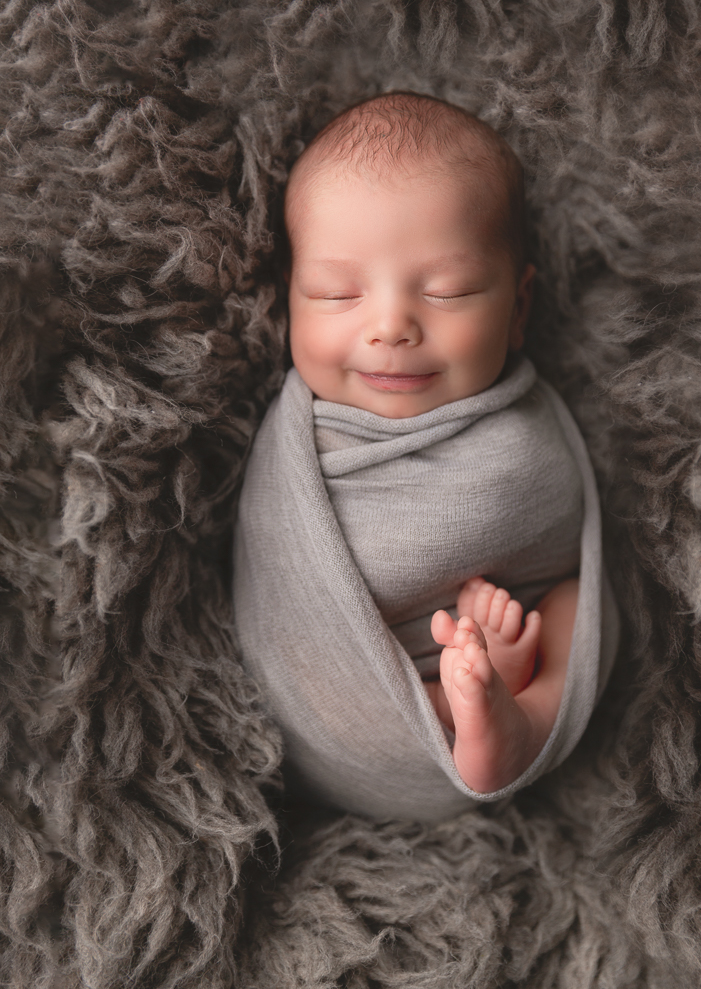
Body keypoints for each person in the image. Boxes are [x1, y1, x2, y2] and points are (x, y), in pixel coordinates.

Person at [233, 91, 616, 819]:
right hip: (356, 715)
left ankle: (524, 713)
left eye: (447, 292)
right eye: (336, 294)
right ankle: (463, 702)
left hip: (514, 647)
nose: (390, 326)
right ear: (289, 303)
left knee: (577, 604)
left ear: (519, 309)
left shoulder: (524, 425)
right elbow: (280, 597)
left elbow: (559, 541)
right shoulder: (295, 446)